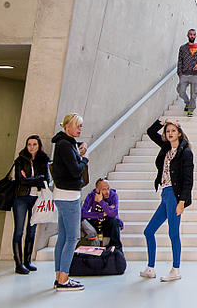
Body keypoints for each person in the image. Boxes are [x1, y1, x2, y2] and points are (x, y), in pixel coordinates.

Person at [140, 118, 194, 282]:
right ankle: (150, 268)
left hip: (174, 195)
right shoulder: (166, 148)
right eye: (167, 131)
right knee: (149, 231)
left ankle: (175, 269)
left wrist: (182, 202)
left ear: (179, 133)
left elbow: (188, 179)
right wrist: (163, 122)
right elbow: (150, 132)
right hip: (165, 193)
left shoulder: (185, 152)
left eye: (173, 131)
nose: (170, 133)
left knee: (173, 233)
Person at [51, 113, 89, 291]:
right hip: (69, 196)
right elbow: (75, 170)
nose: (80, 129)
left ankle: (60, 275)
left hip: (62, 195)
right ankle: (64, 279)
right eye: (77, 126)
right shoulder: (65, 144)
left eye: (81, 126)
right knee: (72, 238)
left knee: (63, 238)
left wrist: (78, 154)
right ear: (67, 126)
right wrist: (84, 159)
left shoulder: (65, 143)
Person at [12, 135, 50, 274]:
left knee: (31, 231)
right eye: (29, 144)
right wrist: (36, 179)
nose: (31, 147)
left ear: (39, 146)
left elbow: (46, 180)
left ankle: (27, 261)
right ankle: (18, 263)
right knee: (19, 231)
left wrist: (31, 179)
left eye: (34, 144)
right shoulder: (20, 160)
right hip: (21, 198)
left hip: (36, 198)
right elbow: (20, 180)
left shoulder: (43, 160)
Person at [81, 178, 124, 250]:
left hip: (108, 224)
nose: (107, 192)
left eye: (108, 188)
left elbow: (113, 213)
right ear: (97, 190)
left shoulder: (113, 195)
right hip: (96, 224)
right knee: (81, 220)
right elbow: (82, 213)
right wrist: (100, 215)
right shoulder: (91, 196)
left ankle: (116, 248)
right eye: (104, 189)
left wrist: (101, 201)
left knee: (115, 221)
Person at [177, 28, 197, 117]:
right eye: (190, 34)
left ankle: (190, 110)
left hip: (195, 74)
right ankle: (187, 102)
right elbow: (180, 61)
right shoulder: (182, 48)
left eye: (194, 34)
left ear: (195, 36)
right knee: (180, 91)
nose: (192, 36)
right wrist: (179, 74)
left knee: (194, 94)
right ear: (187, 35)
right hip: (184, 74)